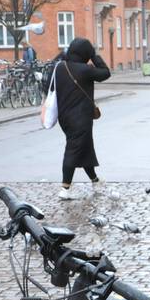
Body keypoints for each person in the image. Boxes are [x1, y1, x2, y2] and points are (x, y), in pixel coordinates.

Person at [53, 37, 110, 200]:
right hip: (81, 118)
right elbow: (105, 73)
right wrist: (94, 55)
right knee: (74, 149)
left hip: (64, 117)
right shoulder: (85, 70)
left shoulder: (60, 67)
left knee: (85, 148)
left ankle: (95, 180)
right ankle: (65, 188)